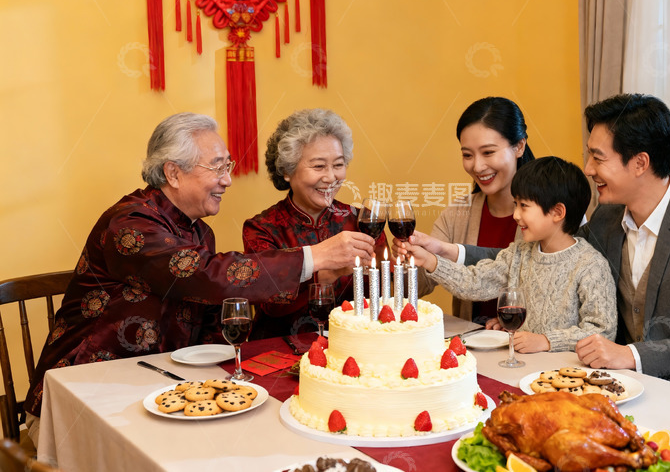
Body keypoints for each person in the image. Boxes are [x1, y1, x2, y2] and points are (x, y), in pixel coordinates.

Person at [23, 112, 377, 444]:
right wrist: (315, 258)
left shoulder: (198, 232)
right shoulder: (130, 225)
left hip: (161, 387)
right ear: (173, 173)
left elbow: (211, 312)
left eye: (228, 166)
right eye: (218, 167)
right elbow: (205, 275)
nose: (227, 180)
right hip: (86, 392)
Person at [449, 94, 670, 411]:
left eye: (598, 157)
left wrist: (631, 355)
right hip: (637, 396)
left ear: (639, 163)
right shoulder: (608, 218)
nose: (589, 169)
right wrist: (449, 254)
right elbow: (543, 253)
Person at [404, 157, 616, 353]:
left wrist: (546, 341)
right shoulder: (519, 253)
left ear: (558, 212)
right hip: (523, 365)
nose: (515, 215)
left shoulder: (591, 265)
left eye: (524, 206)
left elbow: (602, 330)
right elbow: (475, 282)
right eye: (516, 205)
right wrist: (432, 262)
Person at [242, 108, 387, 338]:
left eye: (338, 165)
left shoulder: (363, 220)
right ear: (288, 171)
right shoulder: (262, 228)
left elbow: (382, 297)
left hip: (351, 351)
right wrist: (328, 273)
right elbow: (270, 303)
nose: (331, 177)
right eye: (319, 166)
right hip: (280, 353)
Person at [401, 97, 535, 325]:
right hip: (470, 349)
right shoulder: (456, 214)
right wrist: (396, 263)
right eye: (467, 155)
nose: (477, 166)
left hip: (531, 351)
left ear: (519, 146)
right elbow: (418, 285)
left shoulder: (555, 211)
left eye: (488, 152)